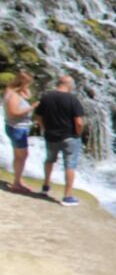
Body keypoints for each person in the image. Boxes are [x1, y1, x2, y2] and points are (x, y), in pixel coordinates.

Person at [34, 74, 85, 206]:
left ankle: (45, 187)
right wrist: (78, 134)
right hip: (69, 137)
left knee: (49, 160)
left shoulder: (46, 97)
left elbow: (38, 117)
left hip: (51, 136)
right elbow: (79, 122)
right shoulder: (72, 100)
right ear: (69, 85)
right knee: (70, 166)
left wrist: (44, 128)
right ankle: (67, 197)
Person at [4, 71, 35, 193]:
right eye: (28, 83)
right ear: (22, 83)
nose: (29, 86)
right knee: (21, 156)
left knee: (20, 156)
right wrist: (31, 108)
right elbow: (13, 112)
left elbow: (27, 96)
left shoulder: (11, 90)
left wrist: (26, 91)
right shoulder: (14, 95)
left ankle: (18, 179)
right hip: (17, 128)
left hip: (17, 127)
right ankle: (16, 183)